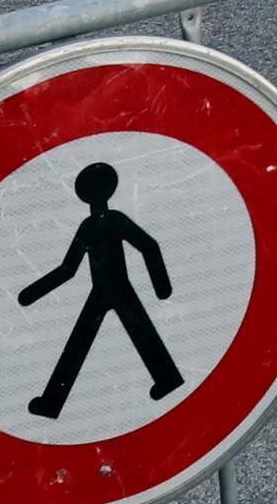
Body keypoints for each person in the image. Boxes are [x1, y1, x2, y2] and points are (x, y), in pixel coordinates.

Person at [15, 161, 184, 415]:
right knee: (98, 338)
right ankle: (52, 402)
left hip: (116, 286)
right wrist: (32, 293)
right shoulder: (92, 225)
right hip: (105, 289)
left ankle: (52, 402)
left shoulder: (109, 221)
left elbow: (148, 246)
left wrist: (162, 287)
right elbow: (68, 268)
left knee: (94, 340)